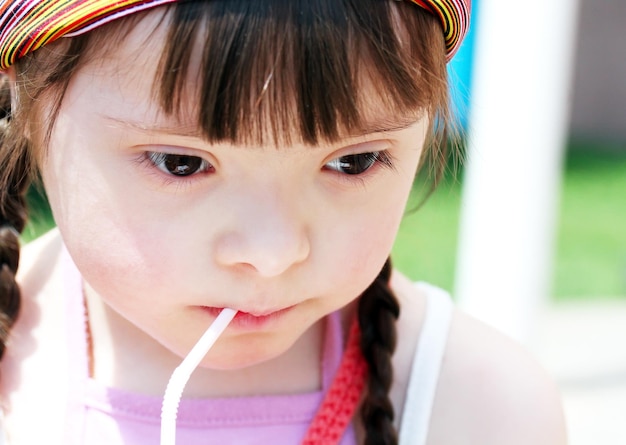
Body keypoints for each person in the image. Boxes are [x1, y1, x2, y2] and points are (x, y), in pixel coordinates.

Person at [0, 1, 567, 444]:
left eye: (352, 162)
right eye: (182, 163)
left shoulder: (481, 407)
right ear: (27, 104)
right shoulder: (16, 389)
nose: (272, 253)